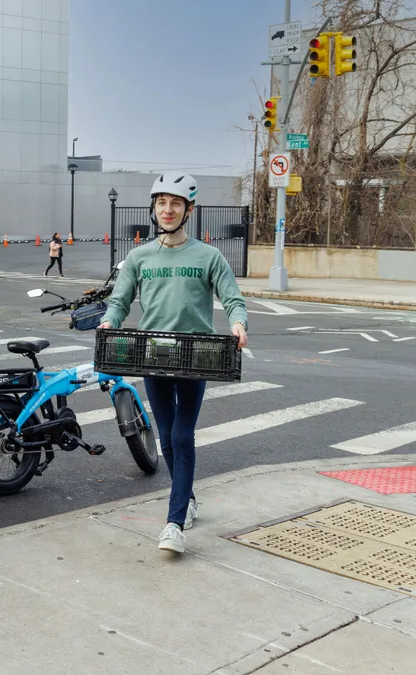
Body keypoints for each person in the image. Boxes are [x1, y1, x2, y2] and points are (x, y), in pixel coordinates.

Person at [97, 171, 248, 555]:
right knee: (166, 437)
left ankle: (174, 523)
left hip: (196, 355)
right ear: (154, 208)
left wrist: (238, 323)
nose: (167, 209)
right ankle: (188, 497)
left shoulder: (208, 256)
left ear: (189, 210)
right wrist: (110, 319)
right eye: (162, 203)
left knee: (182, 436)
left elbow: (233, 298)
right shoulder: (139, 256)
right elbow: (120, 299)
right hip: (152, 353)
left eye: (176, 203)